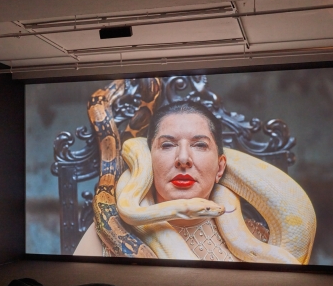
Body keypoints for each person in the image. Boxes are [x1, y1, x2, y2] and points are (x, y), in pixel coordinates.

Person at [74, 101, 238, 261]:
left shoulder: (255, 233)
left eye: (200, 145)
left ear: (220, 168)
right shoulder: (104, 234)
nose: (183, 159)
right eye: (167, 145)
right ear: (146, 161)